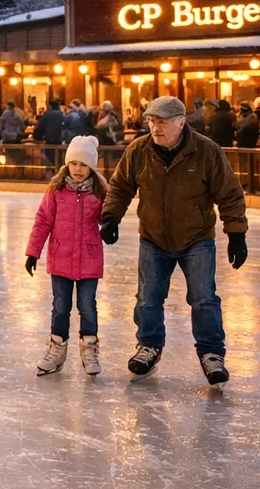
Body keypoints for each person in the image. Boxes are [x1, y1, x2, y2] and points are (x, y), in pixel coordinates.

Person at [100, 96, 248, 387]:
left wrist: (236, 234)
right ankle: (149, 345)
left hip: (196, 237)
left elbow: (229, 194)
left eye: (163, 122)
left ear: (182, 123)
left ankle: (211, 353)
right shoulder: (139, 150)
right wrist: (110, 217)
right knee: (148, 299)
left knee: (204, 298)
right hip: (154, 237)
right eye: (152, 121)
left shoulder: (206, 151)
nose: (156, 127)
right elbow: (120, 186)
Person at [25, 134, 106, 376]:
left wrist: (110, 224)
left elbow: (109, 216)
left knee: (87, 306)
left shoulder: (100, 191)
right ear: (67, 164)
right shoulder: (56, 189)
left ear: (91, 166)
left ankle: (90, 349)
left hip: (89, 260)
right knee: (60, 307)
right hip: (60, 258)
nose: (78, 169)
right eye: (74, 163)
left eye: (83, 164)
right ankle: (57, 350)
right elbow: (43, 221)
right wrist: (33, 252)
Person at [34, 97, 66, 168]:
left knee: (49, 158)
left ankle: (51, 171)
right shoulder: (62, 114)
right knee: (58, 158)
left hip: (49, 139)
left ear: (50, 106)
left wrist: (37, 137)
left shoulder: (47, 114)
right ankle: (58, 171)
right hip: (59, 140)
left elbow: (41, 126)